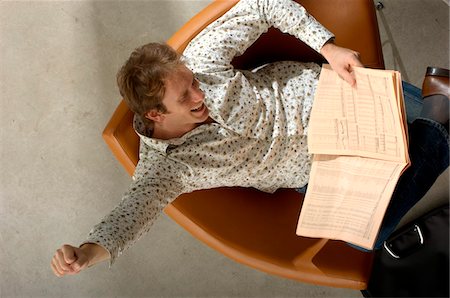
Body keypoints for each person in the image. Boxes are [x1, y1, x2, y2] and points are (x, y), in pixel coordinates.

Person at [50, 0, 449, 277]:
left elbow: (264, 5)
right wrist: (86, 254)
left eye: (191, 82)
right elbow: (131, 215)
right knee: (371, 236)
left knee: (426, 134)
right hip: (315, 172)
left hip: (328, 97)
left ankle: (435, 117)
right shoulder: (166, 169)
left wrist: (328, 49)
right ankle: (436, 116)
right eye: (184, 96)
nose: (199, 94)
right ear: (156, 114)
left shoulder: (199, 61)